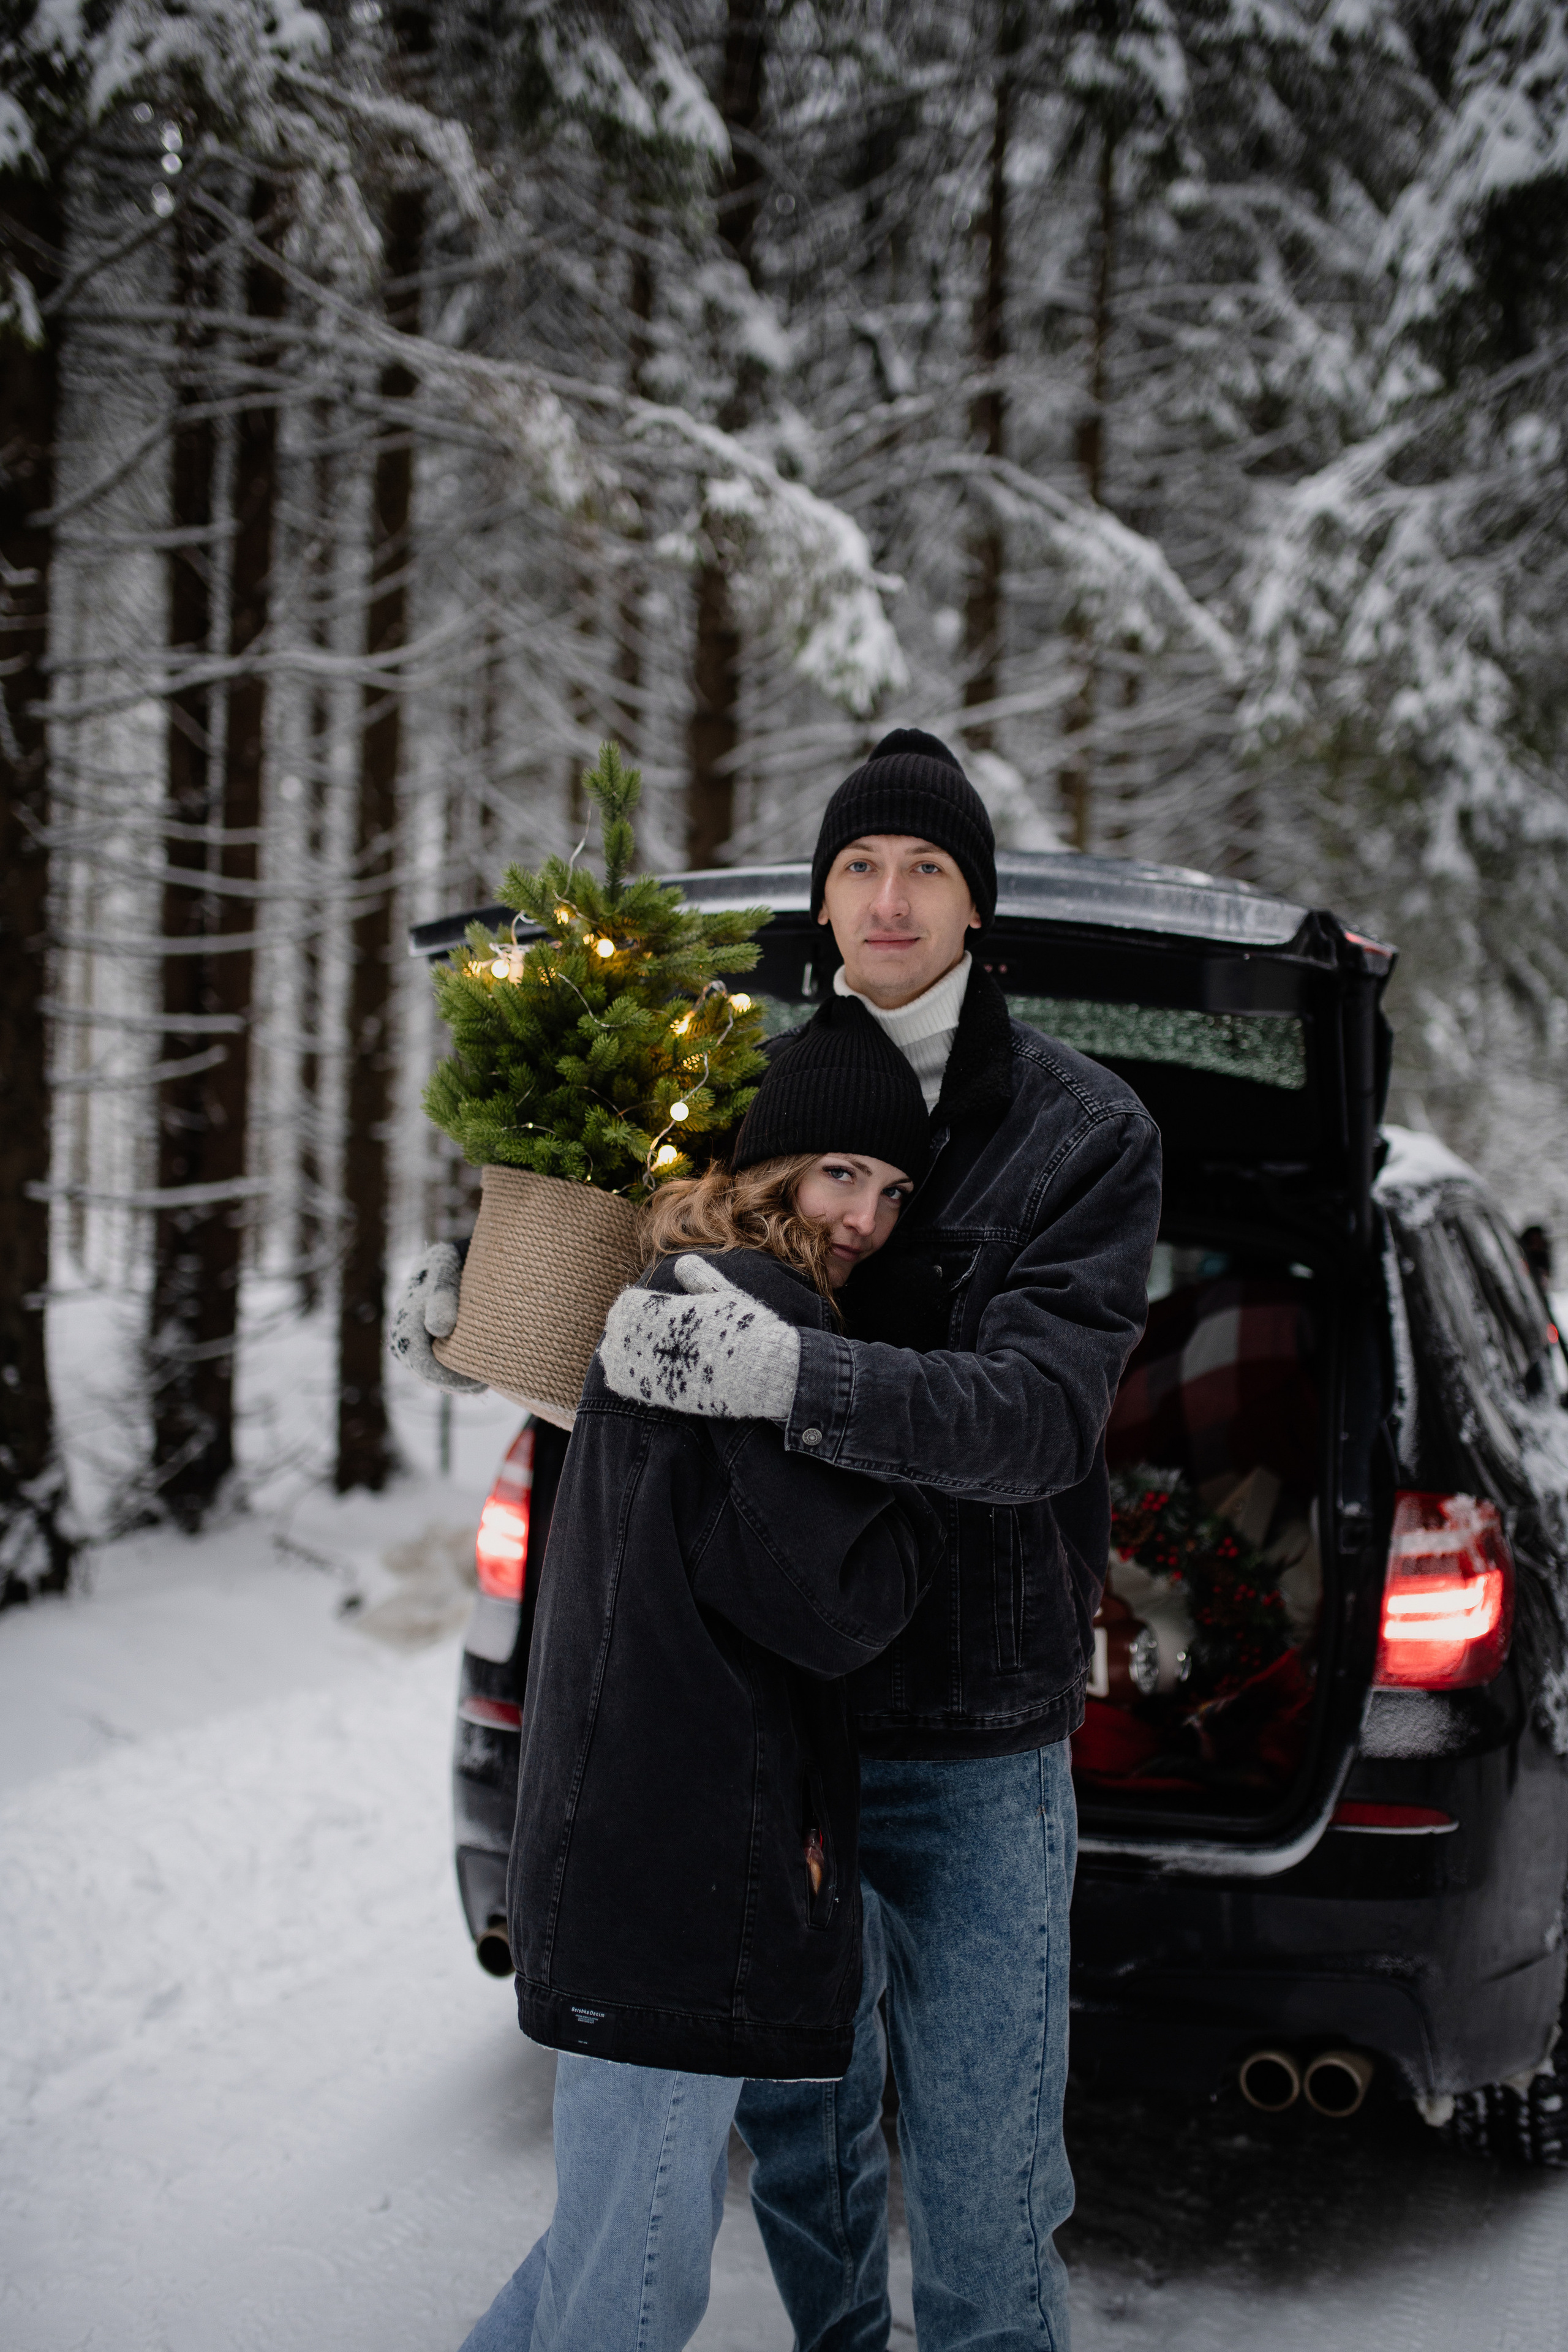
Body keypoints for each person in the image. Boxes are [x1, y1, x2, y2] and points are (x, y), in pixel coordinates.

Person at [602, 729, 1162, 2352]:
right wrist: (512, 1324)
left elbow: (1042, 1416)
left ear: (977, 907)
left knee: (987, 2191)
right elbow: (653, 1313)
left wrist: (799, 1374)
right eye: (859, 866)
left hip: (980, 1741)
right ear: (822, 901)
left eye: (926, 868)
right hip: (784, 1721)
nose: (890, 897)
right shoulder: (748, 1100)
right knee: (806, 2154)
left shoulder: (1084, 1131)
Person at [456, 1010, 947, 2352]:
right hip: (677, 1869)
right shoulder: (753, 1323)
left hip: (622, 1849)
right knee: (637, 2278)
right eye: (840, 1174)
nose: (864, 1216)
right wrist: (920, 1480)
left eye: (892, 1189)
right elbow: (834, 1607)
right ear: (771, 1165)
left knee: (603, 2242)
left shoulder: (670, 1296)